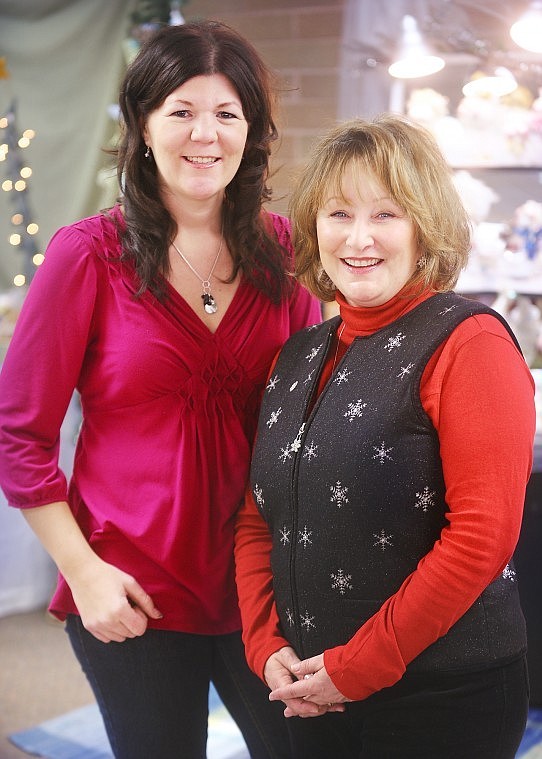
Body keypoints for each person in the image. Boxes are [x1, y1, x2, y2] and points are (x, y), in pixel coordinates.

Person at [0, 20, 321, 759]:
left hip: (264, 587)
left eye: (226, 114)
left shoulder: (287, 250)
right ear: (142, 127)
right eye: (180, 111)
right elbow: (20, 432)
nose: (203, 134)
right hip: (132, 587)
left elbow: (315, 409)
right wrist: (84, 574)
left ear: (252, 133)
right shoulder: (87, 255)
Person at [234, 114, 535, 759]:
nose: (359, 237)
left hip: (444, 697)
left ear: (426, 225)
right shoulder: (297, 355)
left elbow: (481, 539)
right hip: (310, 688)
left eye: (387, 213)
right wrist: (265, 646)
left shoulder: (470, 341)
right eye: (339, 213)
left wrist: (356, 670)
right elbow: (261, 517)